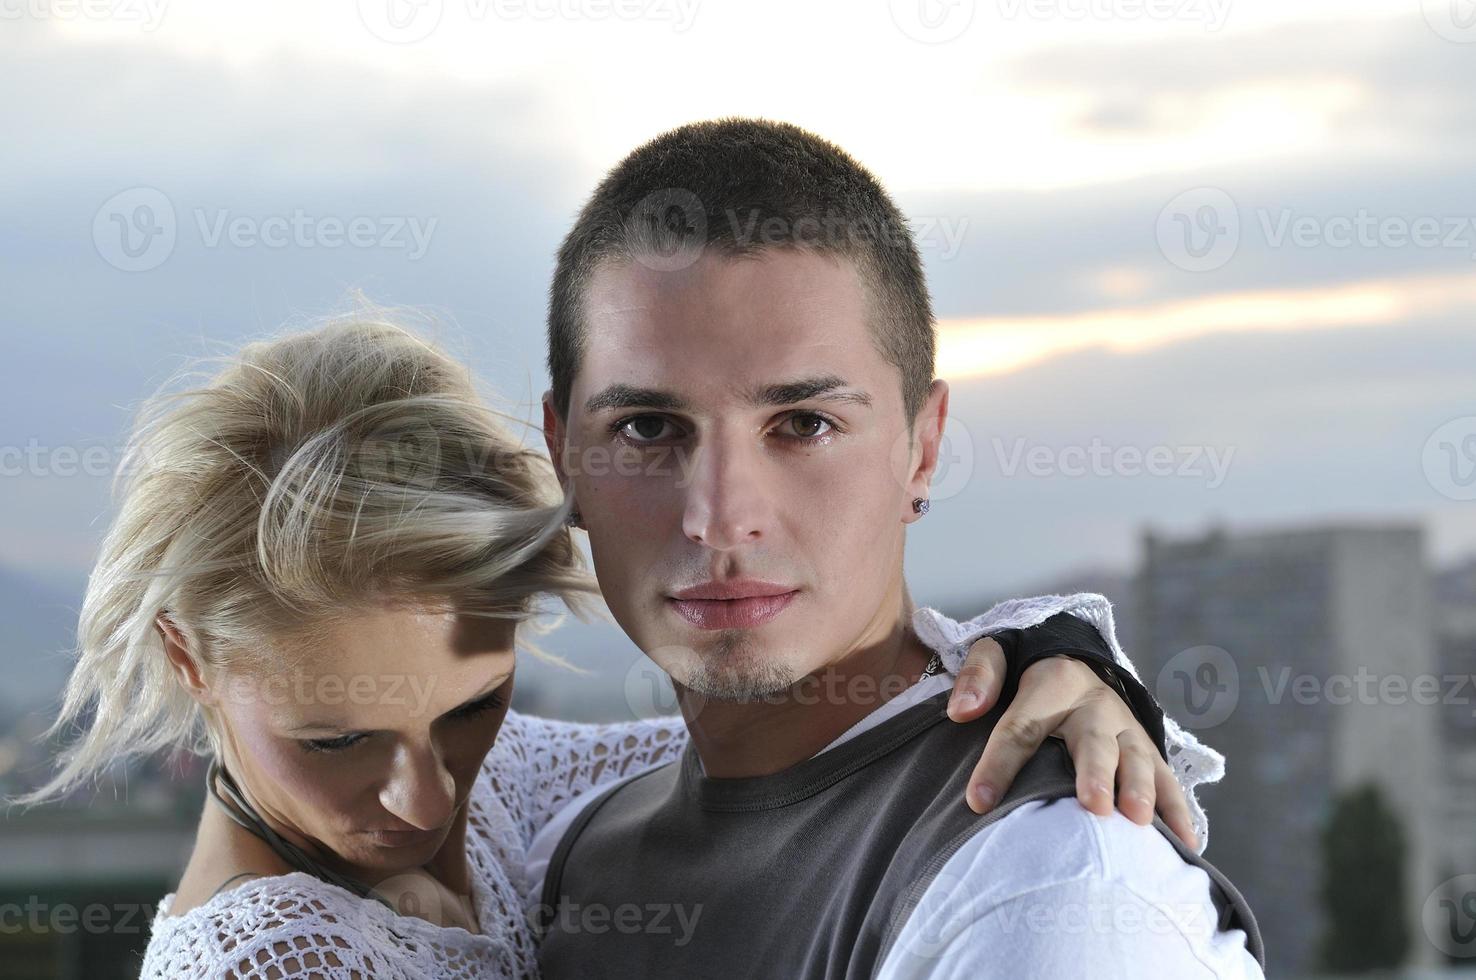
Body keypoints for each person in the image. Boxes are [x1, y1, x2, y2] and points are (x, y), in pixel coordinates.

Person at [15, 314, 1184, 978]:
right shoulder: (260, 963)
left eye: (470, 706)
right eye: (337, 735)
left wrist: (1047, 665)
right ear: (188, 659)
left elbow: (797, 738)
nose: (424, 796)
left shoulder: (513, 780)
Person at [532, 118, 1266, 977]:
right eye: (647, 427)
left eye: (804, 424)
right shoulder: (555, 842)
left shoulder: (1050, 886)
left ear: (922, 447)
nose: (720, 518)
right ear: (563, 458)